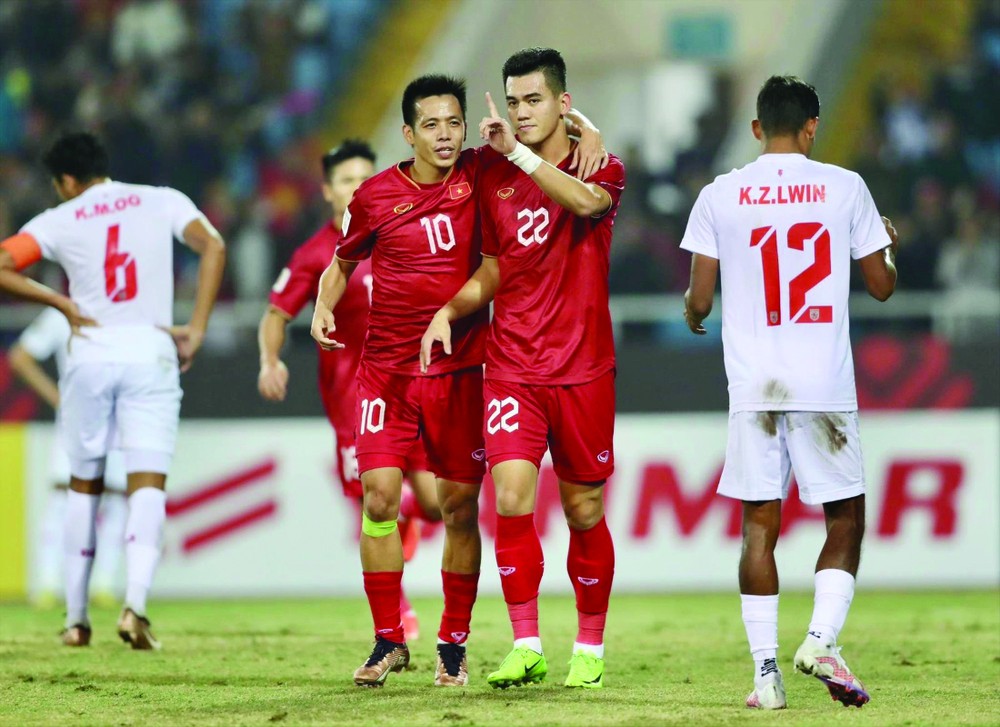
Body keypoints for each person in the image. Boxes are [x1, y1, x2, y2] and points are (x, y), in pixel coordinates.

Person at [312, 74, 605, 688]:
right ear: (408, 133)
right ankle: (388, 638)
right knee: (378, 498)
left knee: (458, 508)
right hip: (387, 373)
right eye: (431, 125)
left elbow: (546, 138)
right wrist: (322, 305)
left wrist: (589, 130)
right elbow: (341, 263)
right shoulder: (373, 196)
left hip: (462, 371)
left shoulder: (484, 170)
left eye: (454, 123)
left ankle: (453, 642)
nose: (445, 136)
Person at [679, 75, 898, 710]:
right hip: (822, 380)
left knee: (758, 528)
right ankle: (822, 640)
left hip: (755, 384)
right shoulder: (845, 187)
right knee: (845, 518)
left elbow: (699, 299)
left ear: (756, 128)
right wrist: (890, 245)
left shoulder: (720, 193)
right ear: (811, 128)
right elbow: (882, 286)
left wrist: (693, 313)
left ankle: (766, 678)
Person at [420, 48, 624, 691]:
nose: (521, 113)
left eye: (534, 100)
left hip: (583, 367)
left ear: (563, 103)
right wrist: (450, 309)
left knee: (583, 508)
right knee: (509, 499)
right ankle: (527, 643)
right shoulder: (490, 169)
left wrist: (536, 150)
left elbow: (585, 204)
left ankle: (589, 647)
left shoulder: (600, 163)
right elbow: (494, 267)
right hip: (511, 365)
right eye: (513, 102)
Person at [0, 131, 226, 650]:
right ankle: (135, 607)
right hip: (150, 351)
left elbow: (4, 265)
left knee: (83, 485)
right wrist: (196, 327)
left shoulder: (59, 218)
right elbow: (213, 245)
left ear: (66, 181)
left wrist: (61, 304)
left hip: (90, 355)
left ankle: (76, 619)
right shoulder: (161, 200)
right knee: (147, 484)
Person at [257, 139, 440, 639]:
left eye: (365, 177)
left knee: (435, 504)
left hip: (417, 389)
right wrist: (270, 359)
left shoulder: (405, 229)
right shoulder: (317, 254)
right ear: (327, 191)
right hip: (355, 403)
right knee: (373, 501)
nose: (357, 187)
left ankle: (409, 512)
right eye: (346, 180)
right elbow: (275, 313)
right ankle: (398, 610)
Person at [9, 307, 127, 608]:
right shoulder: (62, 311)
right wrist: (59, 398)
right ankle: (48, 583)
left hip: (118, 417)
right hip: (76, 418)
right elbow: (20, 356)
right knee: (63, 495)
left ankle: (104, 584)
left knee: (115, 497)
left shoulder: (127, 309)